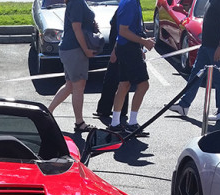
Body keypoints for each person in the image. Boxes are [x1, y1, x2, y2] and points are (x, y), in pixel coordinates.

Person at [168, 0, 220, 119]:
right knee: (196, 74)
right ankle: (184, 105)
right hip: (206, 46)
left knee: (219, 77)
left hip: (216, 47)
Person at [46, 0, 98, 133]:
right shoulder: (76, 2)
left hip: (70, 49)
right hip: (74, 50)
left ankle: (47, 113)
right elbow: (76, 28)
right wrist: (85, 49)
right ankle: (79, 123)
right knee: (78, 87)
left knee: (70, 85)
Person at [106, 0, 154, 136]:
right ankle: (132, 124)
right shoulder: (130, 3)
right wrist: (143, 42)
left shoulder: (129, 2)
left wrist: (117, 49)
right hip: (128, 49)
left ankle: (115, 123)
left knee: (124, 84)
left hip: (126, 47)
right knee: (143, 85)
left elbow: (123, 30)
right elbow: (123, 30)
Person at [93, 11, 127, 125]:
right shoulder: (129, 5)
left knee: (112, 80)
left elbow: (121, 32)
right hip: (122, 48)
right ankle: (120, 109)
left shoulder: (126, 6)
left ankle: (105, 110)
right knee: (122, 80)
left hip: (119, 49)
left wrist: (115, 50)